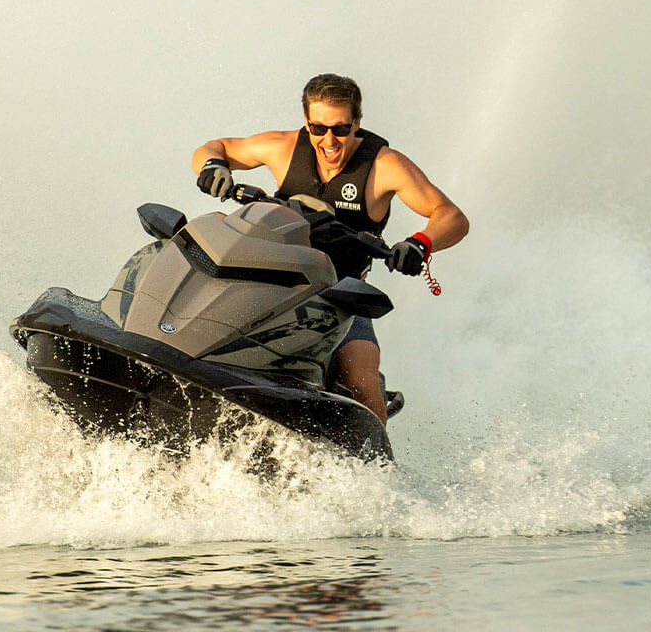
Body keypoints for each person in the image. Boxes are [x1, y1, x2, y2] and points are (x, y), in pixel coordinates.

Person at [191, 73, 469, 424]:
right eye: (319, 128)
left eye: (340, 129)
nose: (329, 140)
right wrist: (213, 166)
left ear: (357, 123)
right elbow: (214, 148)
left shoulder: (385, 166)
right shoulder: (283, 147)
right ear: (306, 121)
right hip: (269, 279)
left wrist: (419, 244)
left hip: (339, 296)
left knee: (360, 379)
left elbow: (452, 216)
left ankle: (373, 452)